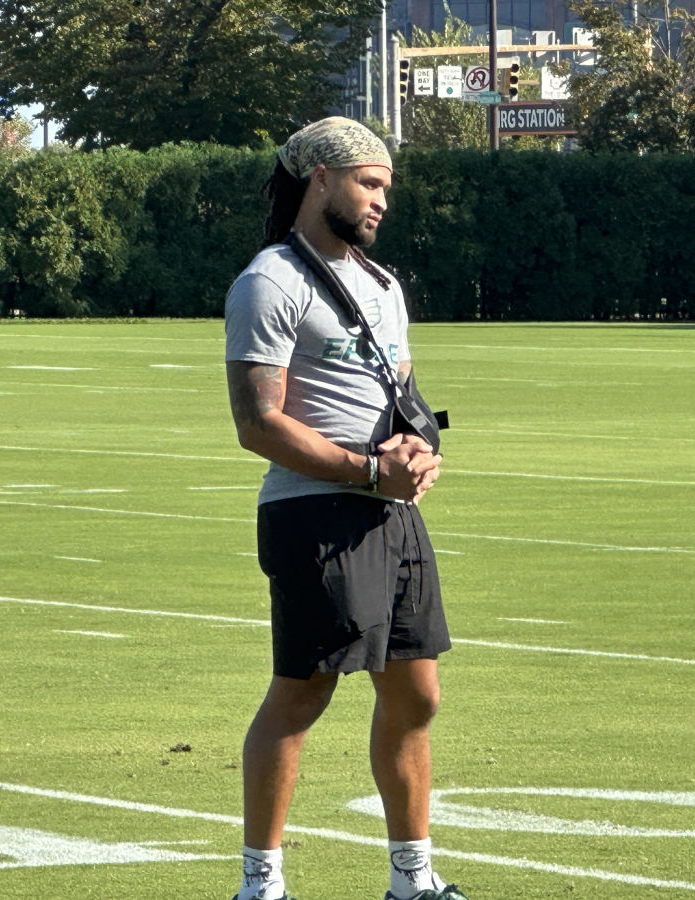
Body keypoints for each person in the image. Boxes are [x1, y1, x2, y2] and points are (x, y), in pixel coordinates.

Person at [223, 118, 467, 900]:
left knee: (417, 693)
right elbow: (257, 422)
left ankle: (412, 882)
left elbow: (402, 398)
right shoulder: (271, 281)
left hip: (389, 513)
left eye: (386, 187)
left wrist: (418, 452)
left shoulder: (384, 285)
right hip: (315, 514)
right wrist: (368, 469)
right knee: (303, 692)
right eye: (368, 183)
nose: (380, 200)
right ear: (320, 181)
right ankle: (261, 886)